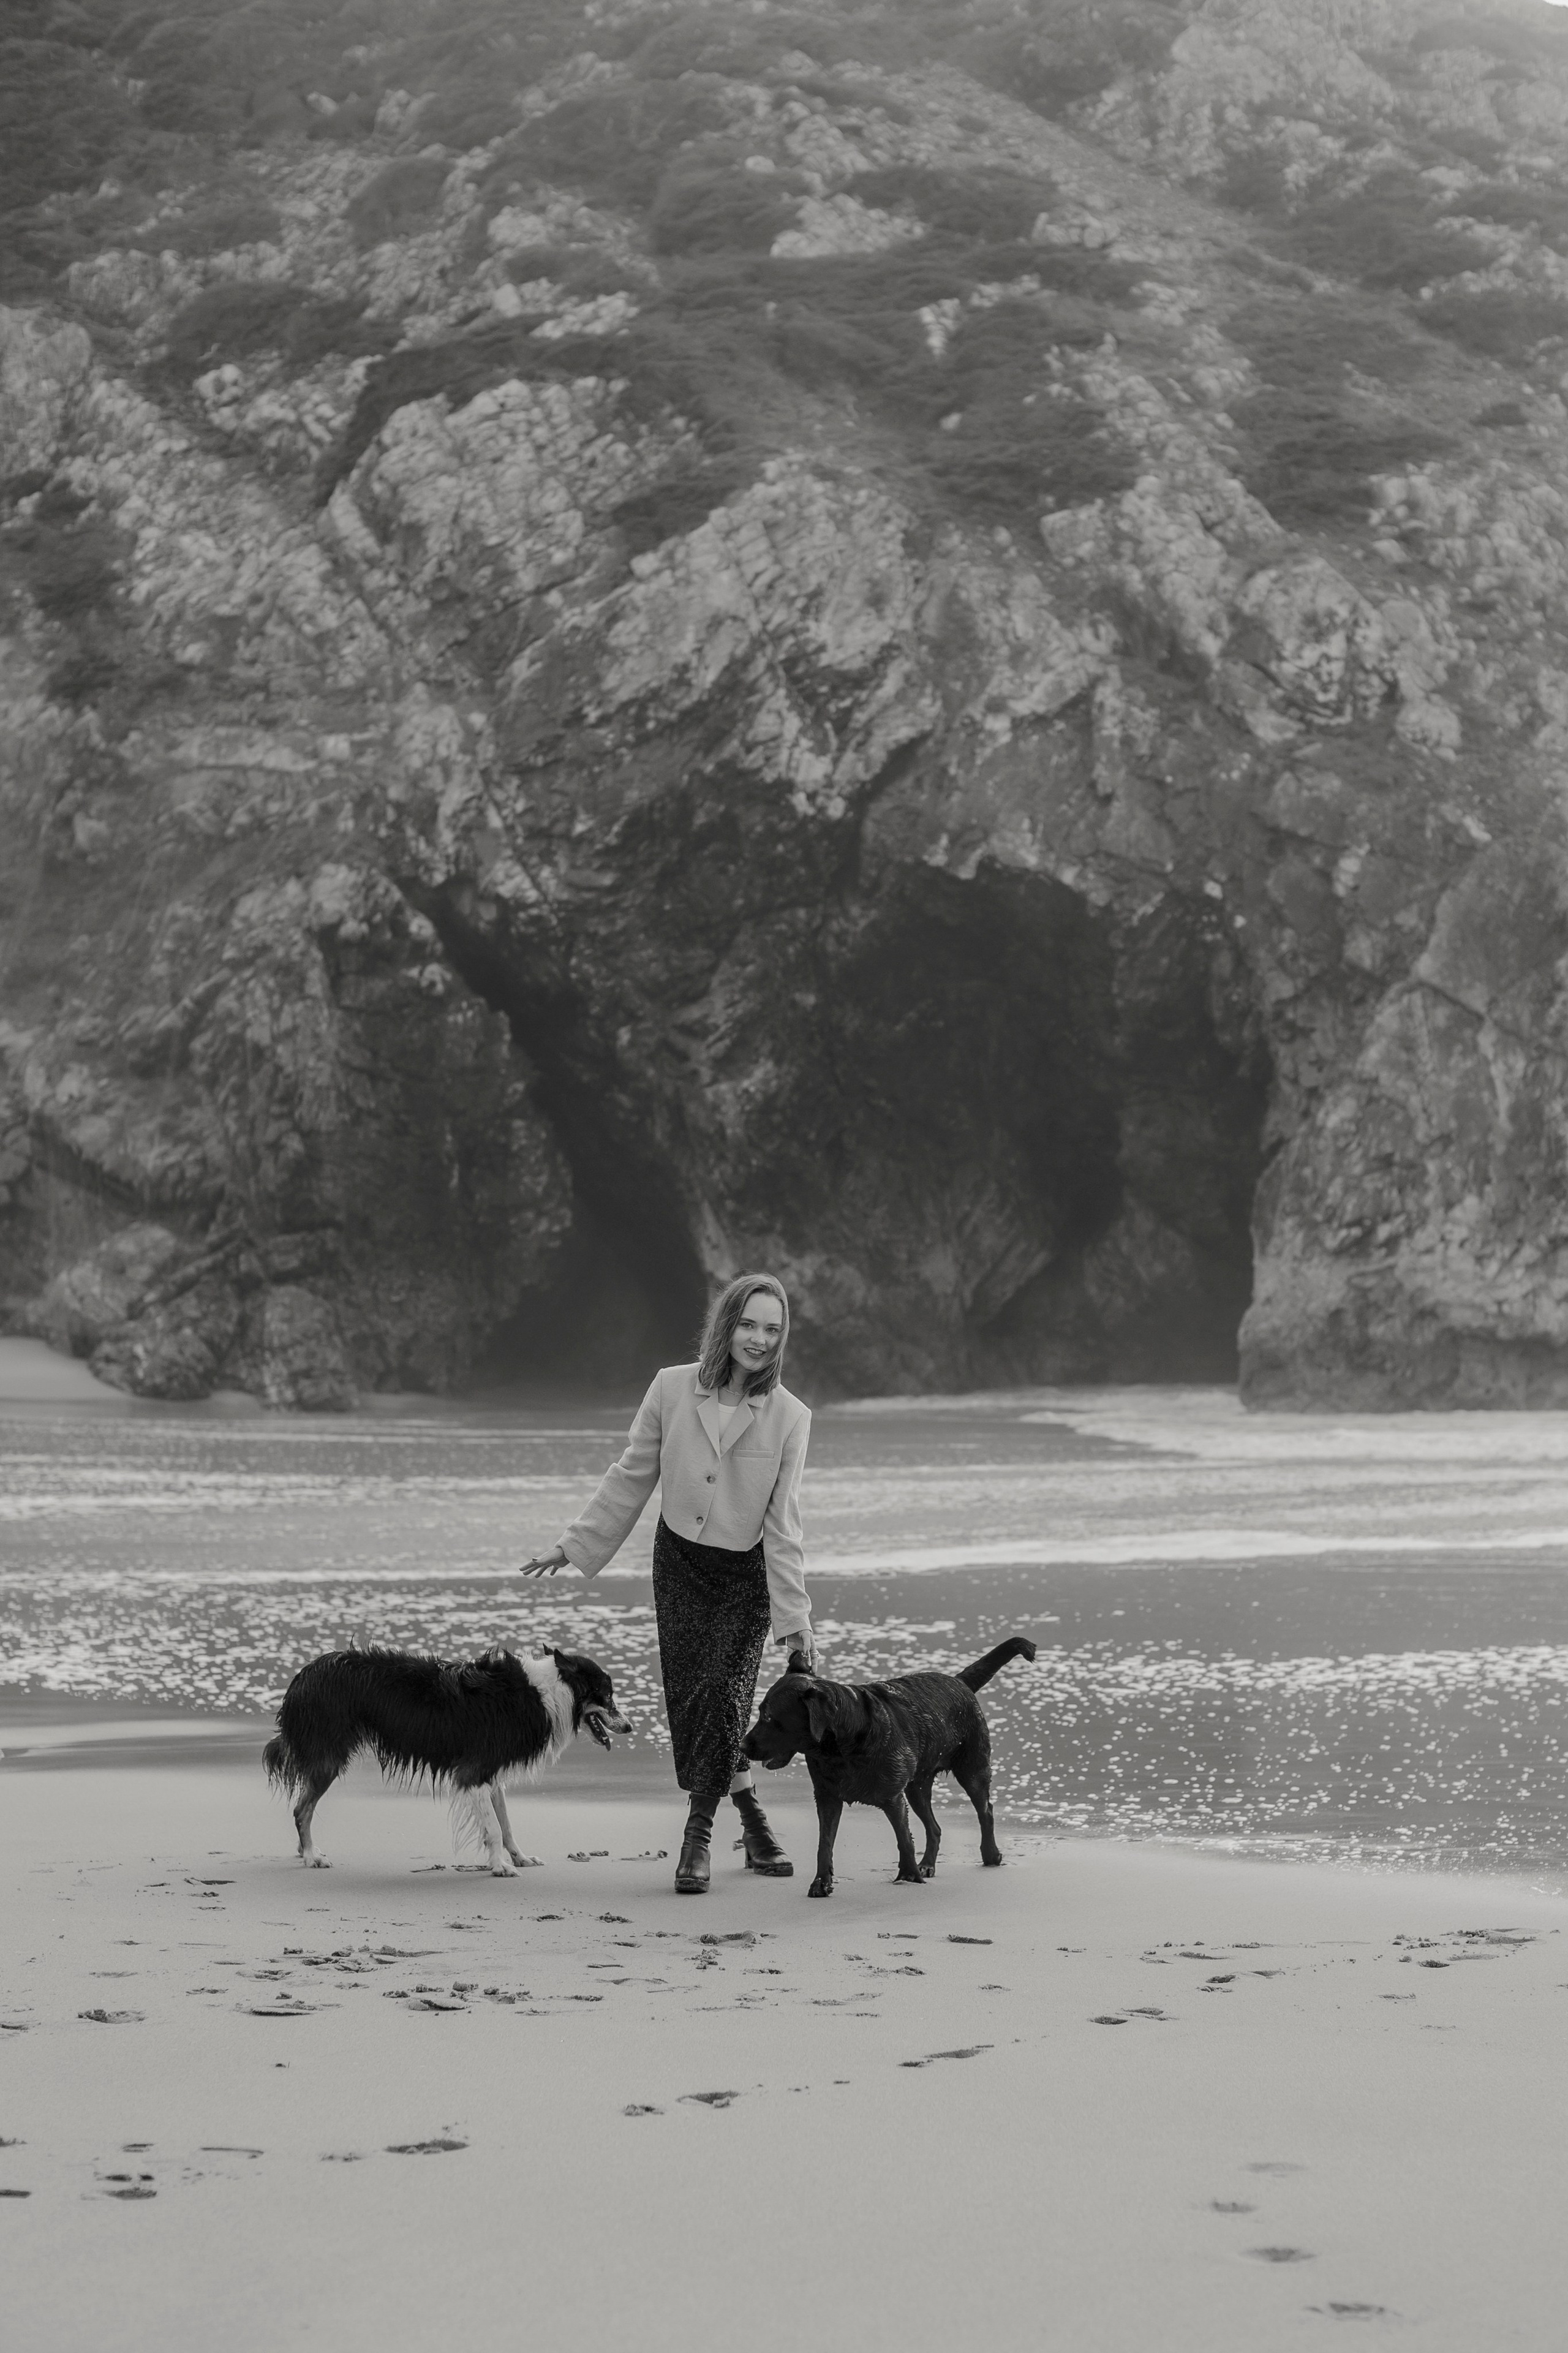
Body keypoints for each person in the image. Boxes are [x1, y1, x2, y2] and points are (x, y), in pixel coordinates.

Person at [519, 1273, 815, 1894]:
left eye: (772, 1328)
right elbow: (631, 1475)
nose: (759, 1339)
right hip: (679, 1565)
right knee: (700, 1701)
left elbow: (783, 1524)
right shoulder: (671, 1388)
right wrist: (573, 1545)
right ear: (727, 1322)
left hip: (745, 1578)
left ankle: (698, 1834)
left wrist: (795, 1625)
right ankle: (756, 1824)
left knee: (718, 1693)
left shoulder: (790, 1416)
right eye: (749, 1323)